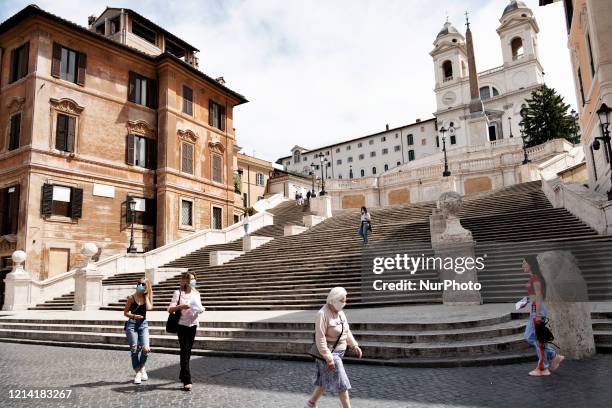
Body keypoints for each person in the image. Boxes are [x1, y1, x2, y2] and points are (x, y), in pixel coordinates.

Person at [305, 287, 362, 408]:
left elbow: (346, 331)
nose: (344, 303)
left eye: (345, 300)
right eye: (342, 300)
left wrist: (354, 345)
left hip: (340, 352)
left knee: (323, 382)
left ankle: (310, 404)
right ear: (333, 300)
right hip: (329, 354)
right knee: (342, 383)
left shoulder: (340, 312)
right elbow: (320, 338)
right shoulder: (322, 314)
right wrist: (329, 358)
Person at [522, 256, 564, 376]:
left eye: (524, 263)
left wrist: (538, 314)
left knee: (536, 338)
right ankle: (553, 356)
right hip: (535, 308)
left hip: (537, 309)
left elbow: (539, 297)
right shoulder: (534, 278)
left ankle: (543, 368)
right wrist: (525, 301)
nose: (522, 266)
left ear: (531, 264)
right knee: (531, 336)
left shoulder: (535, 278)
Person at [168, 272, 205, 390]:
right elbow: (170, 309)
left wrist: (200, 309)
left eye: (194, 279)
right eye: (191, 279)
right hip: (181, 325)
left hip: (193, 324)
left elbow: (199, 306)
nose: (193, 281)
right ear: (185, 281)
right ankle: (187, 380)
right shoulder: (178, 293)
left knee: (188, 351)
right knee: (184, 350)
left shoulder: (197, 293)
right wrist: (181, 306)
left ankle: (182, 372)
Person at [123, 278, 153, 384]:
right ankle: (138, 373)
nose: (140, 285)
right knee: (134, 349)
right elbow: (125, 313)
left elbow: (149, 308)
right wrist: (134, 316)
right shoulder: (131, 298)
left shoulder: (146, 298)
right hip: (132, 325)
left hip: (143, 325)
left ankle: (142, 367)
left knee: (146, 348)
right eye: (139, 283)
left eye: (143, 284)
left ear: (146, 287)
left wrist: (146, 295)